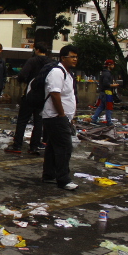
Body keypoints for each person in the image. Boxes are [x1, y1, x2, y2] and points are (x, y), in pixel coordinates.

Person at [42, 45, 79, 190]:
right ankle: (63, 179)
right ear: (63, 58)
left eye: (76, 57)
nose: (75, 59)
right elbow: (55, 94)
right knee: (64, 147)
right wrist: (62, 115)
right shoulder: (57, 72)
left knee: (52, 147)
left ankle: (49, 175)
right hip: (55, 116)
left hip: (60, 117)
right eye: (72, 57)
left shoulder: (67, 73)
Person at [6, 42, 51, 155]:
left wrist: (25, 81)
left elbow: (22, 75)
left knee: (22, 120)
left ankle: (17, 145)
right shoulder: (50, 63)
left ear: (36, 50)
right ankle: (34, 147)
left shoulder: (32, 61)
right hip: (43, 96)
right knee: (38, 122)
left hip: (31, 94)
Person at [91, 59, 119, 125]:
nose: (113, 66)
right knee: (108, 107)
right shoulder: (107, 74)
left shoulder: (104, 73)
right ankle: (109, 121)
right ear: (109, 66)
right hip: (107, 92)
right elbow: (106, 84)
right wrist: (114, 85)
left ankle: (94, 119)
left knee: (101, 106)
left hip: (103, 92)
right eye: (112, 65)